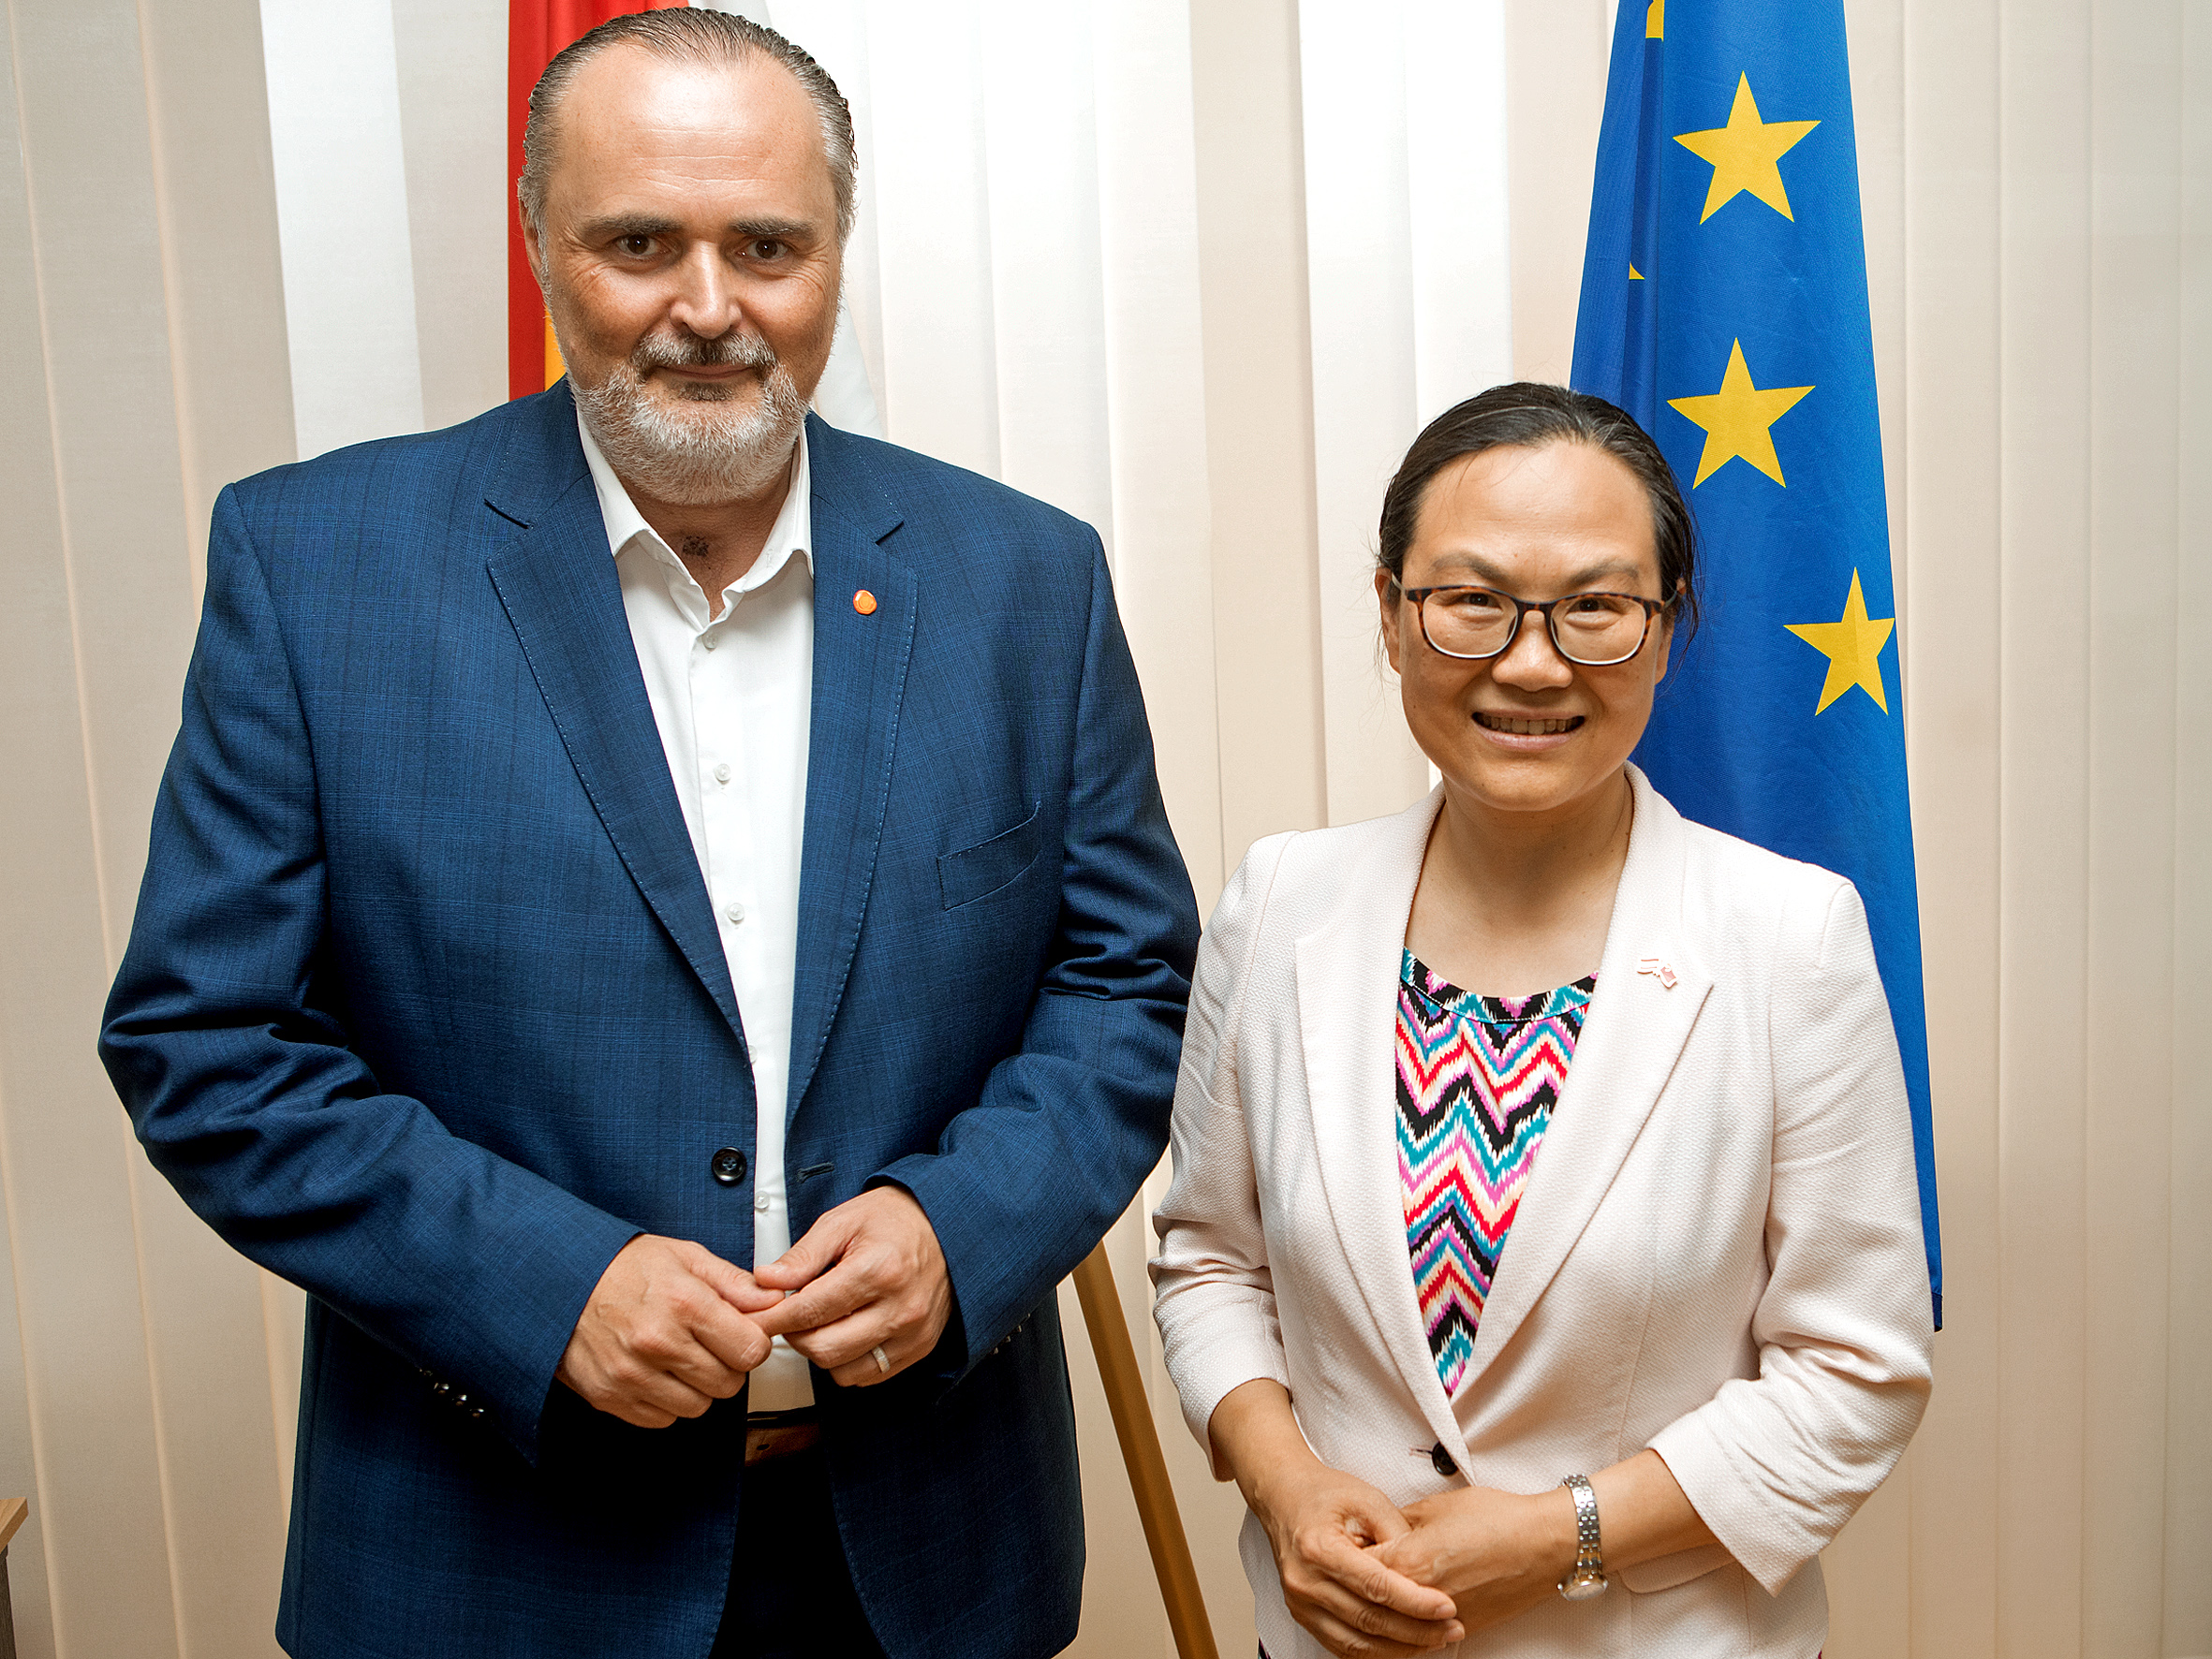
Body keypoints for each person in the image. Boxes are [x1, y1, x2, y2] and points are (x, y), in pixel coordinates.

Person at [99, 12, 1197, 1659]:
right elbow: (208, 1041)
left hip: (924, 1562)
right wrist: (544, 1289)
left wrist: (959, 1232)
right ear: (539, 242)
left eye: (767, 243)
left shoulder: (1025, 579)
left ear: (834, 251)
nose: (707, 306)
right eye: (637, 243)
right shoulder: (315, 567)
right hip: (491, 1563)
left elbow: (1123, 984)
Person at [1150, 384, 1932, 1659]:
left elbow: (1854, 1371)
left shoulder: (1791, 938)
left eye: (1595, 607)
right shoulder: (1278, 904)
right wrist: (1286, 1489)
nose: (1529, 659)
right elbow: (1210, 1264)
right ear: (1393, 619)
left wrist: (1556, 1536)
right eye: (1470, 600)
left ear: (1666, 631)